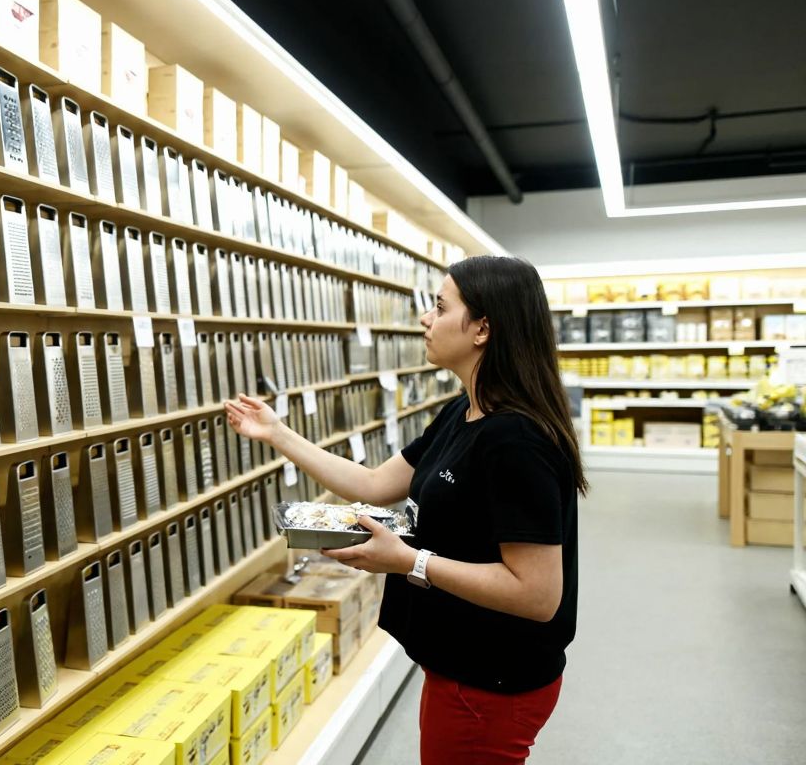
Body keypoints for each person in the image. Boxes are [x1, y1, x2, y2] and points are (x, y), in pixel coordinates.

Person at [225, 255, 582, 765]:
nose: (425, 319)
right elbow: (373, 483)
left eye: (439, 307)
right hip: (463, 667)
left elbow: (538, 595)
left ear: (482, 328)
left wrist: (409, 561)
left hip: (491, 681)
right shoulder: (463, 412)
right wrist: (277, 433)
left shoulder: (516, 439)